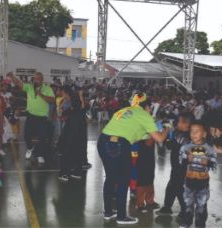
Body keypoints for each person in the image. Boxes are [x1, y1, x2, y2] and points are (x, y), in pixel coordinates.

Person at [98, 92, 168, 224]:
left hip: (103, 141)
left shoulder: (124, 111)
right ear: (147, 107)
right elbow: (160, 138)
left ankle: (108, 212)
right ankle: (121, 216)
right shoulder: (144, 115)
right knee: (123, 179)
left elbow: (141, 136)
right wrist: (166, 127)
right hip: (119, 144)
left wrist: (151, 133)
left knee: (111, 178)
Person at [7, 72, 55, 164]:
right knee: (27, 135)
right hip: (31, 115)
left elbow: (52, 100)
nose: (36, 80)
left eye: (38, 79)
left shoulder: (47, 89)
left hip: (42, 117)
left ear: (42, 80)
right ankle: (30, 148)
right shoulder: (29, 87)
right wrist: (12, 77)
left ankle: (40, 155)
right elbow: (18, 83)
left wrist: (40, 94)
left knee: (42, 137)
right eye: (34, 79)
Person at [178, 122, 216, 227]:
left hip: (203, 183)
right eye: (191, 131)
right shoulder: (185, 147)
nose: (193, 133)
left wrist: (208, 162)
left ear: (204, 134)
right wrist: (186, 160)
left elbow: (214, 164)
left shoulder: (209, 148)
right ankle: (186, 222)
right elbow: (180, 161)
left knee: (202, 205)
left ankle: (200, 224)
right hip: (189, 181)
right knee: (187, 203)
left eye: (197, 131)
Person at [157, 112, 193, 216]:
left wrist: (165, 135)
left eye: (181, 122)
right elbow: (170, 146)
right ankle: (167, 207)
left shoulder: (184, 136)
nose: (177, 123)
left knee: (178, 187)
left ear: (187, 124)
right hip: (177, 166)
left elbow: (169, 145)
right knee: (172, 185)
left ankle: (185, 210)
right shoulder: (180, 133)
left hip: (181, 167)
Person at [57, 86, 88, 181]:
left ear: (66, 93)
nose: (62, 95)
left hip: (73, 129)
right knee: (77, 150)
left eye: (62, 93)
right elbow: (80, 109)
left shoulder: (75, 100)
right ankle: (77, 172)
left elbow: (81, 108)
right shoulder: (74, 100)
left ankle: (63, 173)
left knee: (67, 150)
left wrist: (62, 111)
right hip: (79, 129)